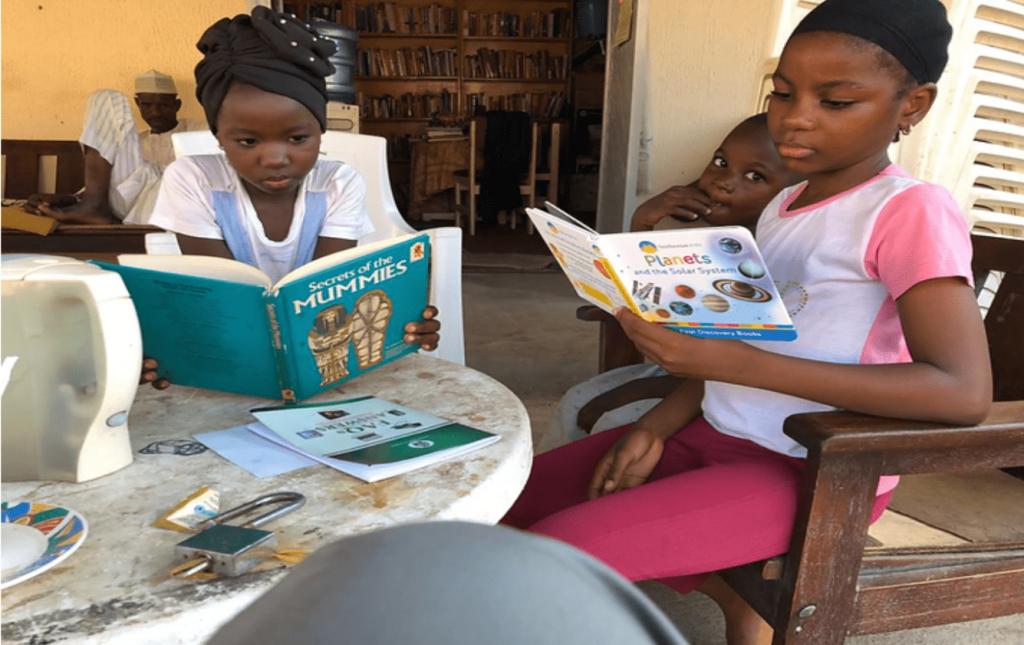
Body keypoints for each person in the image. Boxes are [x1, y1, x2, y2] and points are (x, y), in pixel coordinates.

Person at [504, 2, 991, 645]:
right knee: (499, 505)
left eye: (836, 101)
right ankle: (732, 593)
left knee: (551, 558)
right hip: (712, 433)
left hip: (811, 468)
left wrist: (738, 366)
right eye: (783, 93)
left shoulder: (908, 211)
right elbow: (734, 346)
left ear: (912, 107)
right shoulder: (785, 204)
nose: (796, 117)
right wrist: (656, 426)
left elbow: (961, 393)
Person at [138, 7, 439, 390]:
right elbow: (224, 299)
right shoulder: (194, 179)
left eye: (298, 138)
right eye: (247, 141)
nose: (275, 159)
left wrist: (402, 326)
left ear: (320, 130)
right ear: (218, 135)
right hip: (231, 359)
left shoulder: (338, 183)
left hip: (316, 357)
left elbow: (327, 294)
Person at [543, 114, 803, 452]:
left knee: (611, 420)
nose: (722, 182)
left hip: (729, 391)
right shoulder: (701, 252)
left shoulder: (772, 266)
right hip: (679, 374)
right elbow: (636, 306)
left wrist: (631, 391)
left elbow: (731, 366)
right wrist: (642, 223)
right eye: (720, 162)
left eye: (755, 176)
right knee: (575, 403)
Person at [205, 521, 690, 645]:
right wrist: (657, 422)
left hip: (762, 452)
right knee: (533, 551)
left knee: (546, 549)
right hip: (710, 423)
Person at [22, 70, 205, 225]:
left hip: (173, 201)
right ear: (137, 104)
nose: (155, 112)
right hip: (127, 207)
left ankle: (92, 206)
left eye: (163, 105)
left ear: (177, 105)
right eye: (147, 105)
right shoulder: (130, 143)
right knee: (104, 97)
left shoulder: (202, 130)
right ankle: (91, 206)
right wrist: (67, 199)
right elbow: (113, 186)